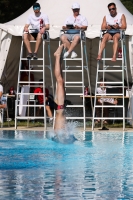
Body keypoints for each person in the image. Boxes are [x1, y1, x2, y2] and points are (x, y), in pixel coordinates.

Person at [51, 45, 76, 143]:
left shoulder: (58, 135)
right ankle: (58, 58)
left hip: (60, 107)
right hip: (59, 108)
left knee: (60, 81)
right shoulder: (58, 134)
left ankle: (57, 57)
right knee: (61, 81)